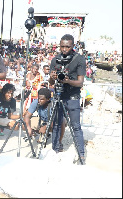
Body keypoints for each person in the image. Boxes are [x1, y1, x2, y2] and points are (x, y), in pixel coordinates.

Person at [50, 34, 86, 163]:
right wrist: (52, 77)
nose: (64, 49)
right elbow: (51, 80)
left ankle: (81, 154)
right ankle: (55, 149)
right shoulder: (55, 59)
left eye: (67, 46)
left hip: (72, 97)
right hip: (59, 95)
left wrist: (67, 81)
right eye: (62, 46)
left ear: (72, 46)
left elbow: (80, 82)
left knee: (76, 126)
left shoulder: (79, 59)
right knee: (57, 125)